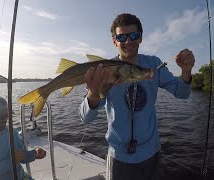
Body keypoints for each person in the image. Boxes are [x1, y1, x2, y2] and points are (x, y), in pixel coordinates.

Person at [79, 13, 195, 180]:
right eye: (121, 37)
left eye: (133, 35)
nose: (128, 41)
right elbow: (85, 118)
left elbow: (182, 93)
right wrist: (93, 93)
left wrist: (186, 71)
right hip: (119, 157)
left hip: (151, 154)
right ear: (114, 41)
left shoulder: (154, 64)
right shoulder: (104, 69)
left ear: (140, 37)